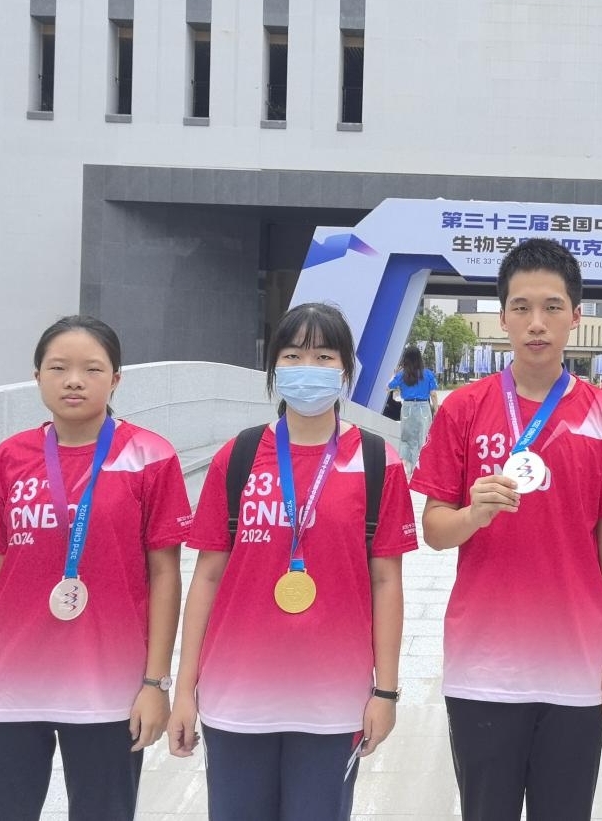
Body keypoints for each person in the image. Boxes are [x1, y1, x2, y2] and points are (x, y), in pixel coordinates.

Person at [412, 238, 602, 821]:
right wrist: (471, 515)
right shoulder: (463, 408)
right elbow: (434, 529)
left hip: (576, 664)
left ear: (576, 316)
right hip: (483, 666)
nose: (537, 323)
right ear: (503, 316)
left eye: (552, 307)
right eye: (521, 307)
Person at [167, 302, 417, 821]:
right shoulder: (238, 456)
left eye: (324, 356)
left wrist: (386, 691)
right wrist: (184, 689)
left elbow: (386, 582)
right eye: (293, 355)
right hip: (236, 696)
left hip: (334, 701)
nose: (308, 368)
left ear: (345, 371)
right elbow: (207, 577)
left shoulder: (377, 462)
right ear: (274, 367)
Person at [0, 315, 191, 821]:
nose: (74, 380)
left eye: (92, 369)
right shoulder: (9, 458)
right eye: (58, 368)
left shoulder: (150, 456)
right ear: (37, 377)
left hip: (109, 688)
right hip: (6, 684)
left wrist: (155, 684)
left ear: (115, 379)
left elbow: (165, 574)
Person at [387, 343, 439, 473]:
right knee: (423, 438)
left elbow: (388, 387)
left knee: (406, 439)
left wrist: (394, 375)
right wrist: (436, 409)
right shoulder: (428, 374)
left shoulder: (402, 375)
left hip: (407, 408)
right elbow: (433, 394)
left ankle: (406, 469)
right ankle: (419, 469)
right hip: (423, 408)